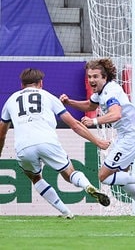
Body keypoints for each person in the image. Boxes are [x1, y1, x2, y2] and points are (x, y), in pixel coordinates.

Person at [0, 68, 111, 218]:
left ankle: (66, 212)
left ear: (22, 85)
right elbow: (75, 125)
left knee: (35, 177)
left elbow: (2, 134)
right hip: (48, 141)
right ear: (41, 83)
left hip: (24, 145)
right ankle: (88, 186)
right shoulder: (48, 96)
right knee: (69, 173)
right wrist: (97, 141)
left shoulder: (11, 100)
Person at [59, 58, 135, 216]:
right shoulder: (102, 92)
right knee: (121, 176)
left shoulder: (110, 92)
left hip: (131, 137)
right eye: (89, 76)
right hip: (127, 135)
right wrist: (70, 103)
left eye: (95, 77)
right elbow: (90, 105)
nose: (91, 80)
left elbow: (116, 114)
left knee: (104, 176)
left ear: (104, 77)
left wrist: (93, 121)